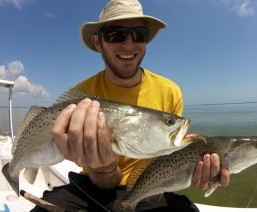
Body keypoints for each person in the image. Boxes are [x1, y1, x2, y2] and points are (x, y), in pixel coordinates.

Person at [31, 0, 229, 211]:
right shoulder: (81, 99)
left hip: (148, 187)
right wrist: (103, 168)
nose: (128, 44)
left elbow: (168, 160)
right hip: (91, 184)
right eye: (115, 34)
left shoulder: (170, 92)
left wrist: (197, 169)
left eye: (139, 34)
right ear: (98, 42)